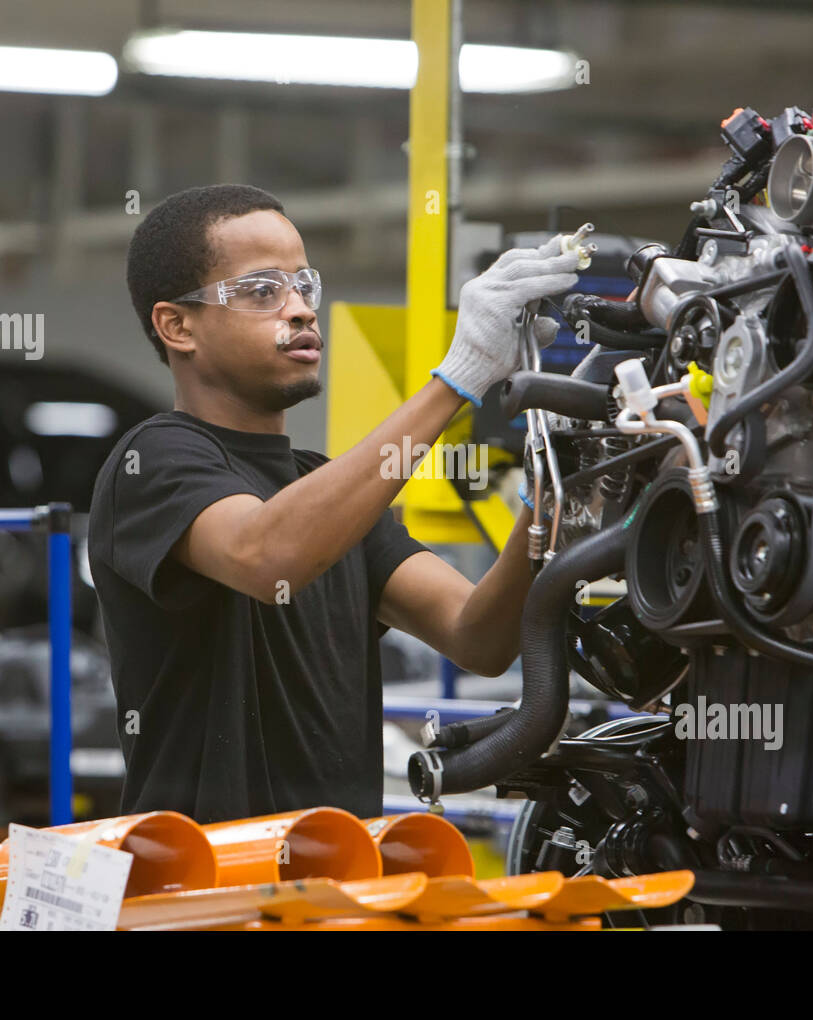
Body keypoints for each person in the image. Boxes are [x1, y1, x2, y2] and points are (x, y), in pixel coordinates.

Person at [88, 183, 580, 823]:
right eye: (263, 291)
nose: (299, 310)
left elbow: (479, 637)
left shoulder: (326, 493)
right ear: (176, 325)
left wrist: (561, 485)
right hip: (204, 891)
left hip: (334, 890)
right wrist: (459, 376)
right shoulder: (151, 461)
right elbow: (270, 557)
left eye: (304, 285)